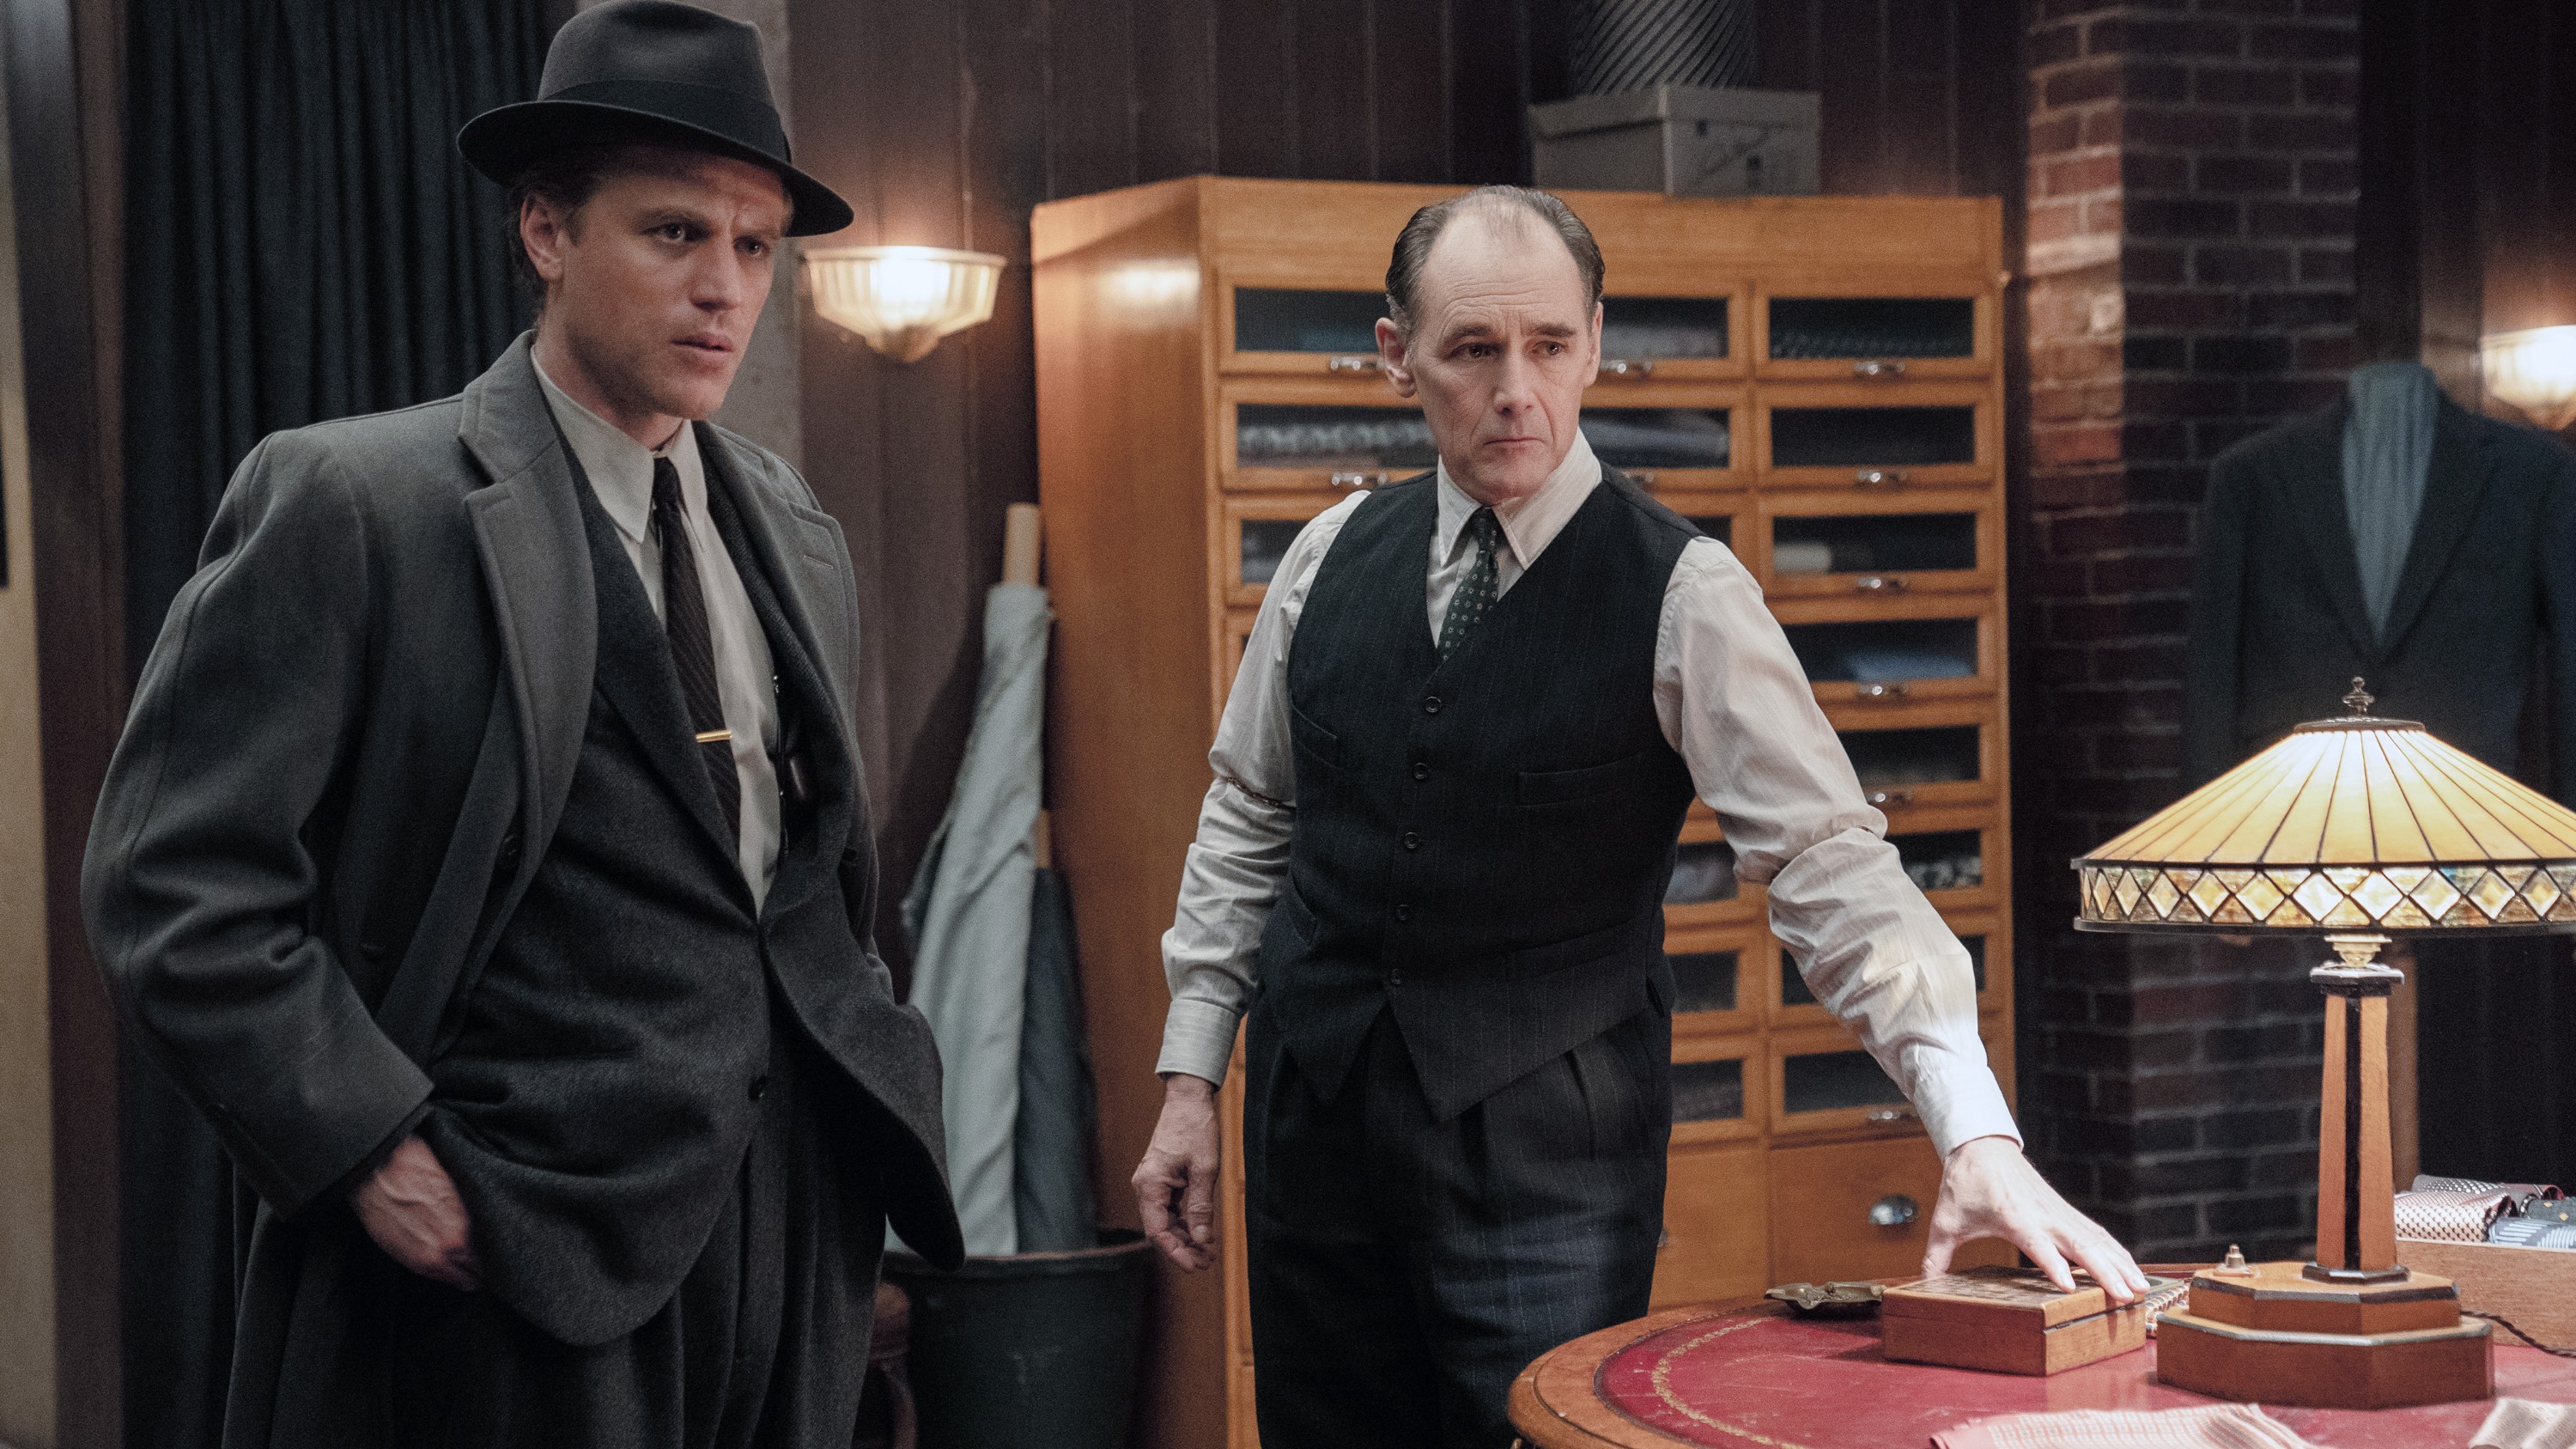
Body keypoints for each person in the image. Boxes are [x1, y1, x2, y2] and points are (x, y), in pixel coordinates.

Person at [1130, 185, 2144, 1449]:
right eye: (1474, 351)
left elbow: (1833, 868)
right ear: (1397, 357)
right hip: (1314, 1125)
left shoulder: (1686, 592)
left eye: (1550, 348)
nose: (1518, 391)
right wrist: (1191, 1078)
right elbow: (1250, 815)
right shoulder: (1329, 554)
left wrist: (1974, 1127)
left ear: (1596, 344)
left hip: (1545, 1165)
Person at [82, 4, 958, 1446]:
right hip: (519, 1237)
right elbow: (174, 885)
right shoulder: (359, 503)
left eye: (753, 247)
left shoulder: (793, 527)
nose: (724, 289)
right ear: (547, 233)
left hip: (790, 1231)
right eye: (675, 235)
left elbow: (794, 879)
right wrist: (367, 1145)